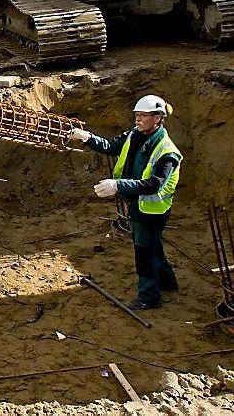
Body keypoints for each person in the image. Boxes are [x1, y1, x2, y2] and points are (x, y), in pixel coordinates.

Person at [68, 95, 182, 310]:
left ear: (157, 118)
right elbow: (112, 146)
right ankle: (168, 282)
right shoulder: (134, 134)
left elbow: (153, 184)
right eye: (136, 115)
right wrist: (87, 138)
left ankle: (149, 297)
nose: (138, 119)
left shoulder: (167, 152)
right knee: (152, 244)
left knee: (145, 252)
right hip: (137, 203)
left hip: (151, 208)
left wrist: (118, 186)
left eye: (143, 116)